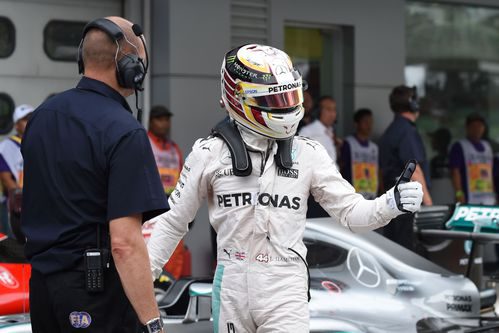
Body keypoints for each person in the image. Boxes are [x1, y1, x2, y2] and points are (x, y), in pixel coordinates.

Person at [147, 44, 423, 332]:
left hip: (285, 286)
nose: (286, 105)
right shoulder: (208, 154)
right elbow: (171, 224)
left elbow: (352, 213)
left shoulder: (309, 153)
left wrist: (392, 202)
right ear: (239, 98)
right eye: (275, 98)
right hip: (231, 284)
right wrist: (137, 284)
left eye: (289, 95)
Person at [21, 17, 167, 333]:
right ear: (129, 66)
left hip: (43, 290)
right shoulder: (123, 131)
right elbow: (125, 244)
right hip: (96, 294)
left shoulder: (41, 118)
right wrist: (152, 323)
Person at [379, 85, 432, 251]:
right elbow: (414, 169)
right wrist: (429, 205)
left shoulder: (391, 131)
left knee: (394, 249)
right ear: (413, 104)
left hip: (393, 202)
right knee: (408, 250)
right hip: (408, 203)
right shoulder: (406, 131)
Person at [146, 105, 187, 280]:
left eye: (167, 119)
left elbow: (183, 176)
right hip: (150, 206)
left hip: (171, 204)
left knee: (174, 251)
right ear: (151, 121)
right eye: (159, 119)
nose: (164, 124)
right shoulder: (144, 143)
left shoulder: (173, 148)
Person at [0, 104, 34, 236]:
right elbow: (6, 178)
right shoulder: (5, 147)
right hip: (15, 203)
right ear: (16, 125)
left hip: (38, 201)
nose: (29, 122)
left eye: (32, 118)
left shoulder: (40, 142)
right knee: (14, 243)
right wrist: (20, 198)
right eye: (25, 119)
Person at [448, 113, 496, 205]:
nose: (477, 129)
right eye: (474, 126)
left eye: (480, 126)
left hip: (488, 197)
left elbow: (491, 173)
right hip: (469, 197)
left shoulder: (488, 147)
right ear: (467, 128)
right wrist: (459, 193)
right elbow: (455, 171)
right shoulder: (460, 146)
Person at [340, 108, 380, 199]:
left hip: (372, 196)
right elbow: (342, 168)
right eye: (365, 122)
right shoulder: (348, 144)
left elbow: (379, 171)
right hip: (352, 196)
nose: (369, 125)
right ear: (356, 124)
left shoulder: (374, 148)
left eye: (371, 122)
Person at [299, 95, 339, 165]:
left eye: (334, 110)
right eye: (328, 109)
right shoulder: (307, 131)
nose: (333, 114)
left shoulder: (330, 132)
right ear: (318, 111)